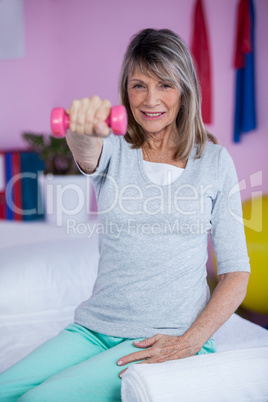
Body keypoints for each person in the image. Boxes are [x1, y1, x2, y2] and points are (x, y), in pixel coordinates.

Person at [0, 28, 250, 401]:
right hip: (93, 328)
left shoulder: (213, 162)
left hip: (163, 335)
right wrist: (81, 130)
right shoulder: (116, 150)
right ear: (125, 90)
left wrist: (189, 342)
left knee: (40, 399)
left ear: (184, 90)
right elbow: (86, 150)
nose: (151, 99)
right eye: (138, 85)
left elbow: (236, 274)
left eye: (165, 85)